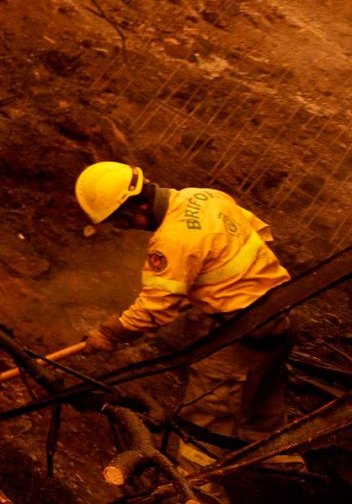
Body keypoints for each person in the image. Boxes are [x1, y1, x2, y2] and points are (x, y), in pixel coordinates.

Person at [74, 160, 301, 480]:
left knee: (203, 410)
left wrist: (109, 333)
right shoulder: (205, 196)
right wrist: (216, 287)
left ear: (133, 209)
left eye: (121, 223)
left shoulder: (171, 240)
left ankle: (200, 487)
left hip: (245, 329)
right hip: (282, 312)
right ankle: (279, 461)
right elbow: (261, 232)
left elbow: (154, 309)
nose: (127, 229)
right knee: (263, 398)